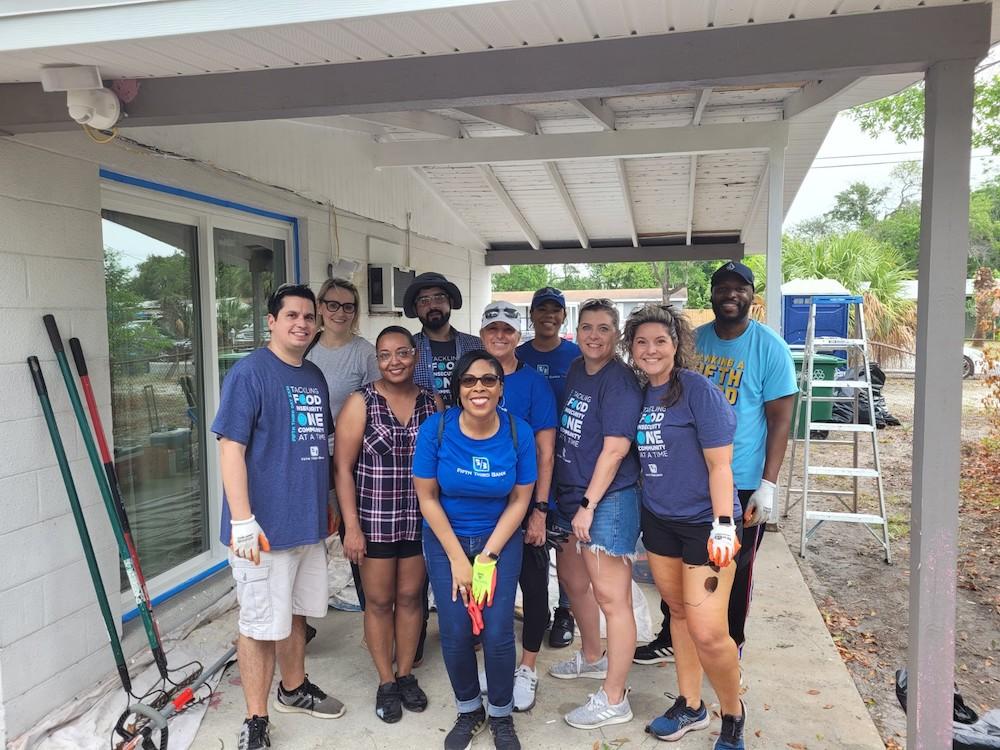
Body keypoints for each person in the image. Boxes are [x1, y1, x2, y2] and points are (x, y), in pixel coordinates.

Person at [634, 261, 796, 668]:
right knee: (678, 580)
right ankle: (675, 638)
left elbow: (780, 420)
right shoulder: (692, 342)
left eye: (739, 288)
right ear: (712, 294)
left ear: (751, 295)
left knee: (734, 572)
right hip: (688, 477)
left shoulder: (769, 347)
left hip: (738, 479)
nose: (730, 294)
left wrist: (768, 484)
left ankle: (730, 645)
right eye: (722, 287)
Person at [212, 283, 344, 750]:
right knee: (258, 624)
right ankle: (256, 719)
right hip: (262, 532)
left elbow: (313, 448)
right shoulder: (250, 373)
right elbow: (231, 449)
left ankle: (294, 688)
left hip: (305, 523)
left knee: (295, 615)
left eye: (309, 316)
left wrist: (325, 505)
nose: (302, 323)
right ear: (271, 321)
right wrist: (243, 520)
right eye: (291, 315)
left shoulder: (312, 375)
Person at [623, 304, 747, 750]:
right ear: (631, 348)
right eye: (642, 341)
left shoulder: (697, 391)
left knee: (709, 631)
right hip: (659, 521)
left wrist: (723, 525)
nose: (651, 349)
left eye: (660, 340)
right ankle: (691, 705)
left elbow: (720, 466)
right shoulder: (641, 393)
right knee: (677, 614)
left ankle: (732, 714)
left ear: (676, 345)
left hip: (703, 525)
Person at [414, 352, 537, 750]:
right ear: (458, 389)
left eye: (488, 380)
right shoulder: (436, 429)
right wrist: (456, 559)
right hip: (446, 540)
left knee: (499, 632)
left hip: (498, 541)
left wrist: (486, 556)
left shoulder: (519, 432)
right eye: (469, 381)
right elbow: (427, 497)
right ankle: (469, 710)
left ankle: (501, 715)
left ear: (501, 387)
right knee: (454, 631)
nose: (478, 388)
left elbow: (520, 501)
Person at [333, 326, 443, 723]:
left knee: (412, 598)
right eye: (384, 354)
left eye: (401, 353)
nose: (393, 361)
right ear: (376, 360)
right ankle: (385, 681)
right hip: (374, 521)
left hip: (419, 520)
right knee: (379, 602)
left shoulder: (433, 403)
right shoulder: (360, 402)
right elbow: (342, 469)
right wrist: (352, 527)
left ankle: (406, 673)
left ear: (416, 355)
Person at [548, 298, 644, 730]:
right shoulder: (575, 369)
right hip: (572, 496)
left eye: (603, 328)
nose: (593, 335)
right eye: (586, 326)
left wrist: (587, 505)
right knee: (572, 581)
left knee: (612, 599)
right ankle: (592, 656)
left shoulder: (619, 382)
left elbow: (616, 449)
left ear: (616, 335)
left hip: (606, 501)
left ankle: (614, 696)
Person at [480, 301, 558, 712]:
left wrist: (540, 510)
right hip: (481, 506)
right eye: (492, 329)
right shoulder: (472, 376)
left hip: (526, 503)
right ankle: (496, 660)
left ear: (518, 335)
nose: (499, 336)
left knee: (532, 582)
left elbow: (546, 453)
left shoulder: (534, 384)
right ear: (481, 334)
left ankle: (527, 665)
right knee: (490, 584)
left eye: (507, 330)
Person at [305, 277, 379, 622]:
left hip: (348, 460)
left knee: (353, 535)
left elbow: (377, 408)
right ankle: (298, 620)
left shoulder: (363, 353)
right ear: (320, 308)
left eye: (348, 306)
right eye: (332, 304)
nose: (339, 312)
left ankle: (373, 615)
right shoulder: (305, 346)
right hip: (305, 458)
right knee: (307, 540)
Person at [515, 286, 581, 649]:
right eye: (542, 309)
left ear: (563, 317)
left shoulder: (575, 355)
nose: (549, 316)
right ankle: (535, 608)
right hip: (531, 460)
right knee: (531, 540)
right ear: (532, 315)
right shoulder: (517, 354)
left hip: (569, 460)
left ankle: (565, 612)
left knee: (565, 543)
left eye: (556, 310)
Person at [403, 271, 483, 406]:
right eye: (424, 301)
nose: (432, 306)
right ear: (415, 309)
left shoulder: (477, 346)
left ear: (450, 302)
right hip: (422, 424)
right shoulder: (406, 349)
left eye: (439, 298)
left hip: (470, 424)